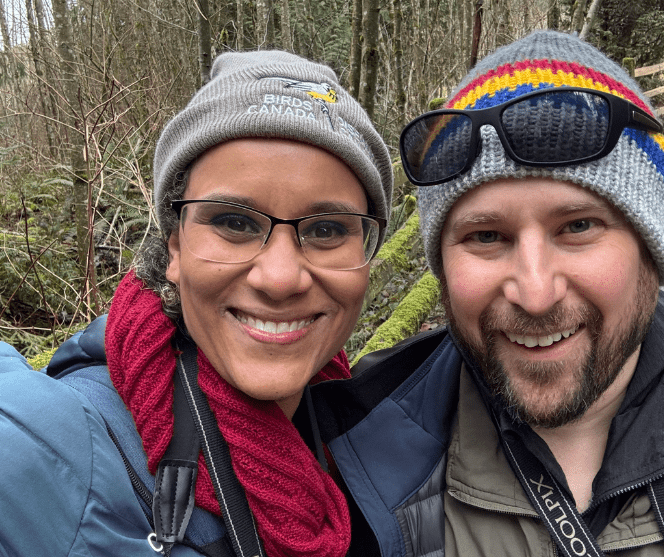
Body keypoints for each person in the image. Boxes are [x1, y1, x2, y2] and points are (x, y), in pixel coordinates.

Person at [309, 30, 664, 556]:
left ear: (651, 249)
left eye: (578, 227)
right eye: (486, 236)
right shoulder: (346, 448)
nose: (535, 294)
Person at [0, 50, 393, 556]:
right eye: (234, 222)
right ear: (175, 248)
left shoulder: (372, 430)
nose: (280, 279)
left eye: (327, 230)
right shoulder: (59, 450)